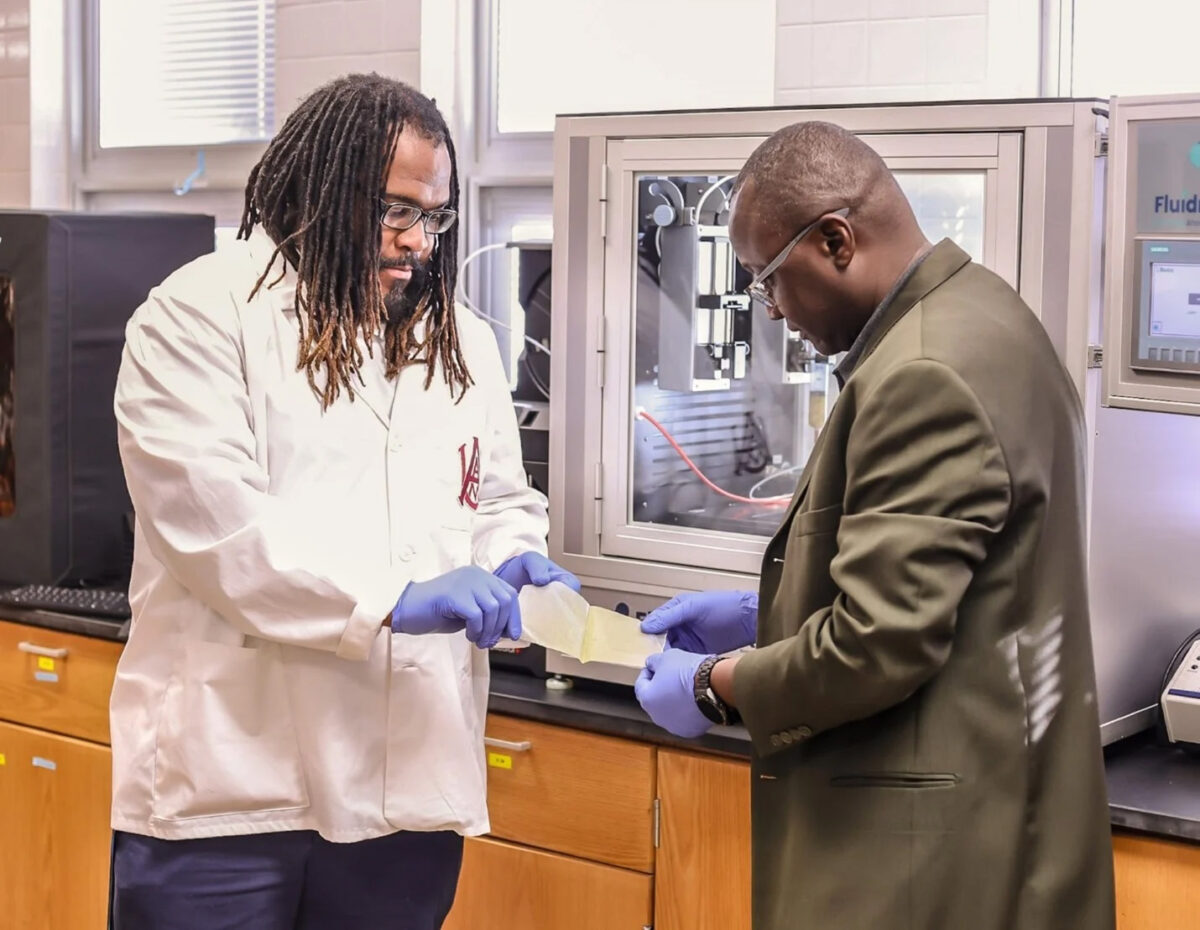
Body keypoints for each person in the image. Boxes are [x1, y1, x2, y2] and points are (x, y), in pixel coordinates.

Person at [109, 73, 577, 929]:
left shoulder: (461, 341)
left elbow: (498, 494)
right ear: (319, 188)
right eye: (397, 211)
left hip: (406, 790)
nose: (419, 244)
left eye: (434, 217)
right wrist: (392, 598)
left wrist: (511, 554)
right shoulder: (200, 317)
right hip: (232, 792)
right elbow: (216, 529)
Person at [634, 121, 1115, 930]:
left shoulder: (922, 374)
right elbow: (960, 585)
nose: (774, 310)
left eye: (768, 279)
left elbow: (877, 645)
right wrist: (769, 614)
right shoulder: (985, 313)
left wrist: (717, 688)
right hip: (993, 814)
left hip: (931, 860)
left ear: (836, 239)